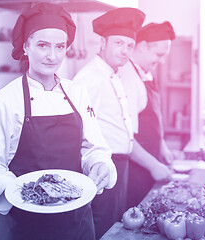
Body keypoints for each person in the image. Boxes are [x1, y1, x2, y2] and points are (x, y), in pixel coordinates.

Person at [0, 3, 116, 240]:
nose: (52, 56)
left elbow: (94, 148)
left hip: (76, 220)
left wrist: (99, 164)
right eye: (42, 45)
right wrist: (21, 191)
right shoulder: (4, 100)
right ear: (25, 46)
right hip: (24, 224)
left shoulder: (76, 92)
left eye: (60, 47)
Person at [73, 8, 172, 238]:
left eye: (129, 45)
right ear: (103, 42)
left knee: (117, 229)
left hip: (122, 165)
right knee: (104, 228)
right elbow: (78, 131)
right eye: (119, 43)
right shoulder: (89, 78)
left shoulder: (113, 74)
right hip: (105, 166)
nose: (125, 51)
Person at [118, 21, 176, 208]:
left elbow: (150, 120)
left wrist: (162, 146)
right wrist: (154, 165)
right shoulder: (128, 77)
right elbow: (124, 137)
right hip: (136, 170)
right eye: (159, 54)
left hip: (151, 162)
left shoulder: (146, 73)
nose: (162, 61)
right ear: (142, 47)